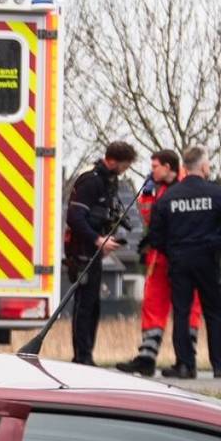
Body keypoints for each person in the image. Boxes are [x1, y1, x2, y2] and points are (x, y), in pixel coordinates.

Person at [142, 146, 221, 379]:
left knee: (182, 312)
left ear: (184, 167)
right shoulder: (215, 192)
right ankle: (220, 366)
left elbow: (155, 237)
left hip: (179, 262)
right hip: (208, 261)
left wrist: (174, 249)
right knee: (214, 313)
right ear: (204, 166)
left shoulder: (168, 197)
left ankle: (185, 365)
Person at [114, 149, 203, 376]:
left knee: (189, 306)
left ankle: (187, 357)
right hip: (158, 255)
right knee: (153, 304)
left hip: (182, 254)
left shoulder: (187, 186)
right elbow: (147, 217)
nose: (151, 171)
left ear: (168, 167)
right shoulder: (152, 188)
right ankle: (147, 356)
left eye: (155, 166)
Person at [62, 141, 137, 366]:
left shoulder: (108, 183)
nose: (125, 171)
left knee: (93, 304)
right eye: (125, 166)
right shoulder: (91, 181)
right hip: (82, 251)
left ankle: (87, 355)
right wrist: (98, 239)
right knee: (84, 304)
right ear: (113, 161)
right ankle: (81, 357)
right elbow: (75, 217)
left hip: (95, 250)